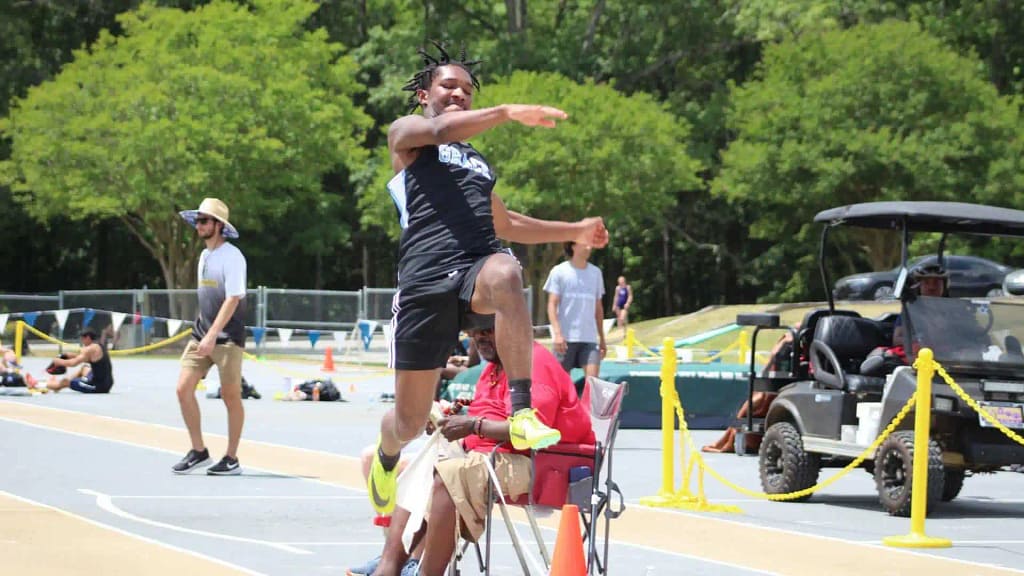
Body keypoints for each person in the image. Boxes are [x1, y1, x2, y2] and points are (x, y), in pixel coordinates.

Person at [370, 41, 608, 517]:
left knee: (505, 269)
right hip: (424, 281)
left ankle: (522, 413)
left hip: (475, 270)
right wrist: (505, 111)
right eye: (448, 86)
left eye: (466, 89)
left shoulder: (478, 163)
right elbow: (439, 129)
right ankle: (386, 452)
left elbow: (508, 225)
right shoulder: (410, 134)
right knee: (412, 421)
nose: (459, 93)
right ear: (424, 94)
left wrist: (574, 229)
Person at [360, 313, 595, 576]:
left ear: (513, 329)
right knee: (426, 463)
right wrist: (448, 419)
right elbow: (487, 412)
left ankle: (424, 571)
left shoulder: (533, 363)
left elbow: (532, 431)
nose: (479, 338)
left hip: (547, 464)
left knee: (450, 474)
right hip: (500, 455)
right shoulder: (495, 366)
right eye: (474, 332)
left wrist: (472, 425)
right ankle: (392, 563)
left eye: (487, 330)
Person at [172, 198, 248, 476]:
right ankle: (199, 450)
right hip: (201, 334)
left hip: (227, 338)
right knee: (183, 389)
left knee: (231, 397)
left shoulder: (233, 256)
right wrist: (203, 333)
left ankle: (231, 457)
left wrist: (213, 335)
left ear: (219, 226)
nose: (199, 225)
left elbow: (233, 298)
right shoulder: (204, 256)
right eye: (198, 220)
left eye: (204, 221)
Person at [544, 241, 607, 381]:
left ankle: (588, 404)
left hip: (589, 339)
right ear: (573, 246)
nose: (589, 247)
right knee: (562, 387)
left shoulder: (596, 273)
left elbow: (598, 308)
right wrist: (558, 334)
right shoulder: (559, 271)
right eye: (585, 244)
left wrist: (602, 338)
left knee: (593, 385)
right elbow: (552, 305)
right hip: (565, 340)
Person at [43, 330, 113, 394]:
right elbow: (86, 358)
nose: (82, 341)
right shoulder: (99, 346)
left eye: (82, 339)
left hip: (97, 387)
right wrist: (69, 355)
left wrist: (58, 361)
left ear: (88, 338)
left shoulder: (89, 349)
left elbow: (73, 363)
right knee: (84, 368)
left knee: (65, 382)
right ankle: (69, 383)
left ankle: (42, 385)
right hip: (107, 383)